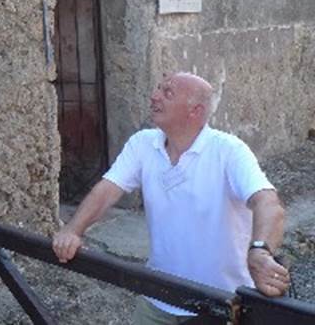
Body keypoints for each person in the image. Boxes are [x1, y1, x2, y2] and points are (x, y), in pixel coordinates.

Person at [51, 72, 290, 324]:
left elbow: (268, 203)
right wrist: (73, 230)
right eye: (158, 88)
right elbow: (107, 190)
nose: (154, 96)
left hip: (219, 304)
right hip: (158, 295)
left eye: (167, 93)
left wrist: (261, 251)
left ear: (195, 111)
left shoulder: (229, 151)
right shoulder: (142, 144)